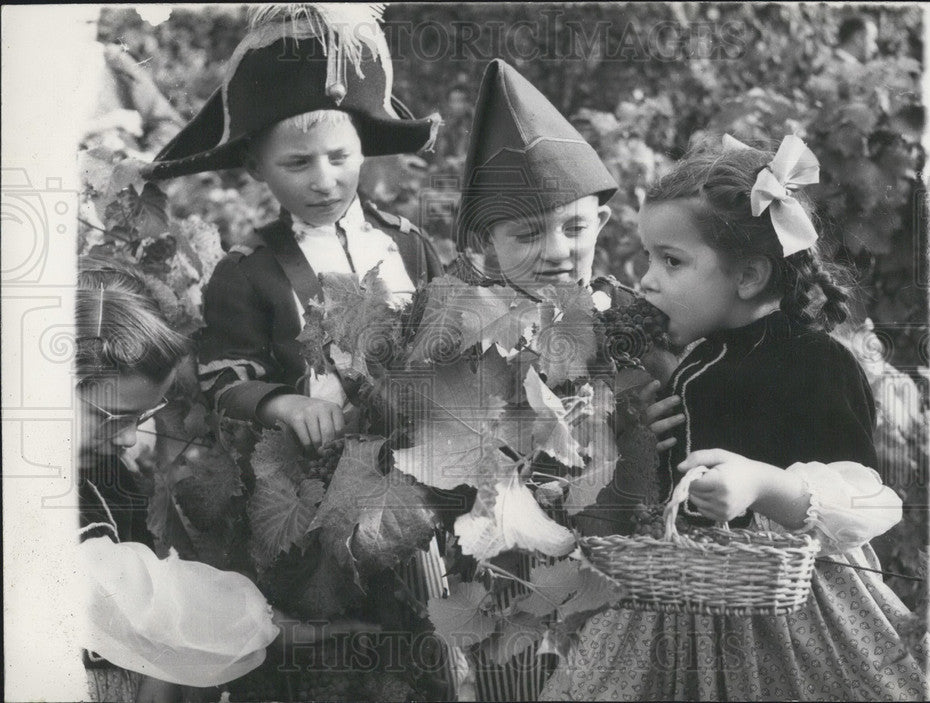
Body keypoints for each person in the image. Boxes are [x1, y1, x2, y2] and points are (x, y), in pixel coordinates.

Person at [539, 136, 926, 701]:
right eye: (649, 257)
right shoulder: (695, 357)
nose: (646, 279)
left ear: (747, 276)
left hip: (788, 609)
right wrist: (639, 434)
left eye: (671, 261)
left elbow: (868, 498)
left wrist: (763, 483)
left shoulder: (813, 361)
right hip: (679, 596)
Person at [448, 59, 685, 702]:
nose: (556, 249)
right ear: (484, 243)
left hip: (633, 581)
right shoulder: (465, 339)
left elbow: (693, 400)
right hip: (516, 587)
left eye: (574, 227)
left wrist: (682, 418)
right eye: (527, 233)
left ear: (603, 225)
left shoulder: (643, 323)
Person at [143, 5, 444, 454]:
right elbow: (223, 378)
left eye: (339, 157)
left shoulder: (407, 244)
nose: (324, 181)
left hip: (426, 454)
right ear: (256, 167)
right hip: (316, 474)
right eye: (298, 163)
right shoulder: (247, 272)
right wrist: (286, 406)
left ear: (364, 150)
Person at [75, 256, 281, 703]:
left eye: (143, 418)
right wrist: (266, 624)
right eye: (113, 419)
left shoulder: (109, 475)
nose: (130, 439)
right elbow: (136, 601)